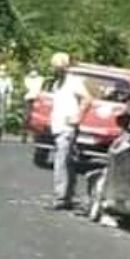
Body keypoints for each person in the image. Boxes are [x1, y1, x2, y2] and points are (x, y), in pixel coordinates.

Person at [48, 52, 92, 210]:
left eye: (58, 67)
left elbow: (88, 98)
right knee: (67, 162)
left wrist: (78, 117)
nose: (55, 69)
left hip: (67, 128)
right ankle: (67, 195)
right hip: (58, 126)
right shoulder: (57, 83)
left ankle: (60, 197)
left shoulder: (73, 82)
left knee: (61, 162)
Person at [21, 68, 45, 143]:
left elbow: (40, 87)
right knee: (26, 117)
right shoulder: (27, 79)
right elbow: (28, 87)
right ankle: (24, 135)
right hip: (28, 98)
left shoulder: (41, 79)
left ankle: (35, 136)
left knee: (37, 118)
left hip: (37, 98)